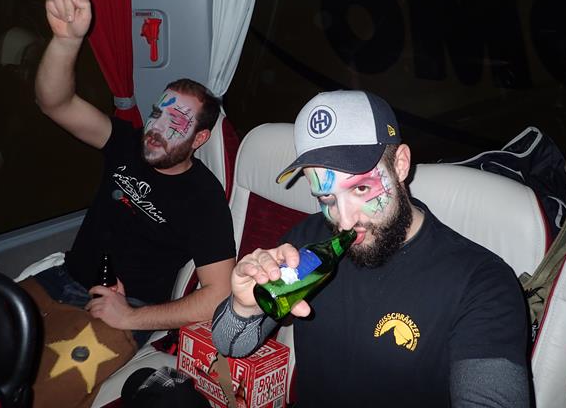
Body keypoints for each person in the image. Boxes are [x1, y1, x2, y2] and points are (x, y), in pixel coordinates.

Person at [211, 90, 531, 406]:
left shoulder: (482, 283)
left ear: (401, 164)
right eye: (326, 197)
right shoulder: (306, 245)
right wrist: (245, 307)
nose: (345, 220)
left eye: (361, 188)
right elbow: (231, 345)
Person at [32, 0, 236, 347]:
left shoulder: (203, 197)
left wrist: (130, 316)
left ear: (199, 139)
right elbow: (55, 104)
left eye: (175, 124)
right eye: (157, 114)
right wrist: (66, 41)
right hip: (61, 279)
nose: (156, 129)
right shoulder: (127, 142)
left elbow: (219, 293)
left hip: (124, 311)